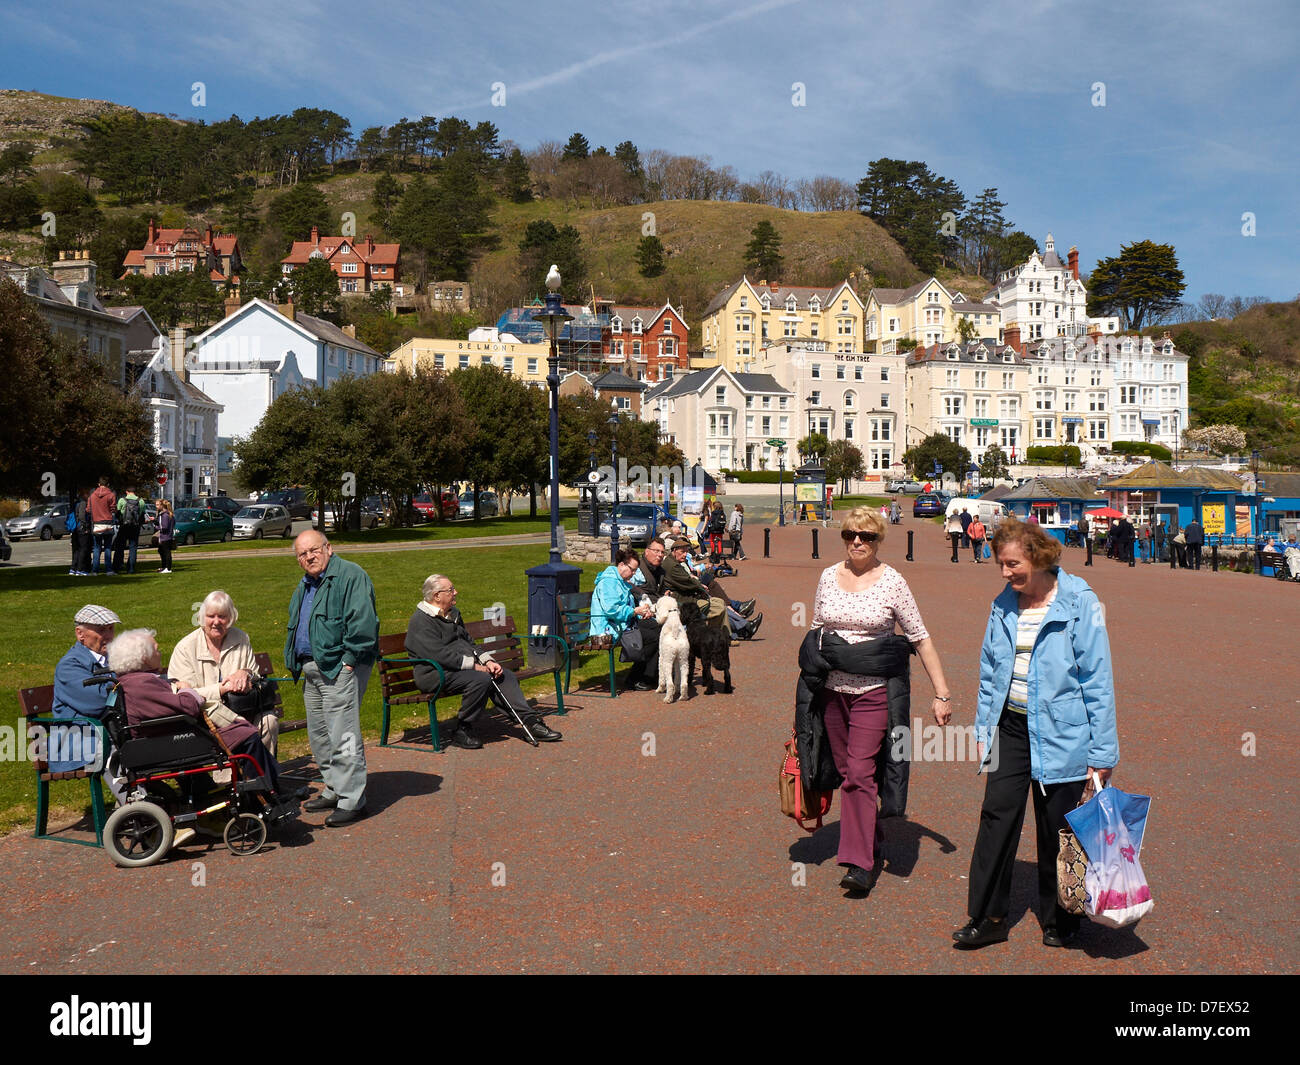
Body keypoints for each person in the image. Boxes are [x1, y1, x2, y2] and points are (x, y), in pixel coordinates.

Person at [953, 516, 1118, 950]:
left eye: (1012, 565)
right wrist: (984, 730)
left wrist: (1103, 751)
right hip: (1010, 728)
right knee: (996, 818)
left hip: (1062, 731)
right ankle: (987, 916)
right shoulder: (1004, 602)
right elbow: (990, 671)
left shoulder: (1080, 601)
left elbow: (1097, 679)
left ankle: (1061, 916)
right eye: (1001, 566)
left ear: (1038, 557)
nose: (1006, 574)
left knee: (1057, 828)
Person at [804, 506, 952, 895]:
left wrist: (941, 693)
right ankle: (869, 834)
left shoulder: (892, 582)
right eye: (851, 535)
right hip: (832, 692)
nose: (857, 542)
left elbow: (919, 636)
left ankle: (859, 863)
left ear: (878, 540)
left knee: (858, 773)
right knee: (843, 770)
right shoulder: (827, 577)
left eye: (866, 537)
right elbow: (818, 630)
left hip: (874, 692)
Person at [109, 628, 288, 802]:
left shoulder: (133, 681)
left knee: (242, 732)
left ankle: (266, 789)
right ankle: (268, 794)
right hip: (176, 741)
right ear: (144, 658)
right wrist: (187, 690)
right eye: (156, 650)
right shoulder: (142, 684)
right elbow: (188, 706)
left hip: (168, 736)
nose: (160, 652)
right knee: (247, 737)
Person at [284, 530, 379, 826]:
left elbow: (364, 624)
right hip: (311, 670)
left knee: (343, 734)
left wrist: (349, 662)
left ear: (329, 548)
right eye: (302, 554)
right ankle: (334, 788)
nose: (309, 557)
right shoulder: (306, 584)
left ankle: (353, 799)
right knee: (320, 735)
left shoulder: (350, 575)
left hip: (338, 668)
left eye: (313, 550)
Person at [404, 574, 562, 749]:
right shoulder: (421, 621)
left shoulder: (453, 614)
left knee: (504, 675)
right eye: (450, 590)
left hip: (457, 669)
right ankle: (463, 729)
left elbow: (468, 643)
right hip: (434, 673)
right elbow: (439, 655)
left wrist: (488, 662)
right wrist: (475, 666)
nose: (456, 592)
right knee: (480, 679)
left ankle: (531, 722)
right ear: (436, 596)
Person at [169, 589, 280, 756]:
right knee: (235, 731)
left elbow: (255, 674)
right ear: (202, 617)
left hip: (244, 710)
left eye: (222, 616)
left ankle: (261, 777)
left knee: (269, 721)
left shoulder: (241, 638)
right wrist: (223, 689)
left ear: (231, 618)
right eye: (211, 616)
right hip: (206, 718)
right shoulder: (186, 648)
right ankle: (239, 779)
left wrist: (245, 672)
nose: (216, 622)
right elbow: (185, 696)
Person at [51, 604, 121, 779]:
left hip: (113, 729)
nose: (109, 636)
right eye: (101, 630)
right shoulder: (69, 666)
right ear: (80, 634)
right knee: (112, 747)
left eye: (111, 629)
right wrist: (125, 687)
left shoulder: (115, 658)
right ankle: (136, 802)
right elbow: (98, 702)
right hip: (81, 739)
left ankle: (191, 791)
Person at [591, 548, 655, 643]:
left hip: (623, 625)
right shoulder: (608, 583)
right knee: (654, 637)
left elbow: (629, 607)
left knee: (658, 627)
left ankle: (638, 656)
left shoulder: (621, 582)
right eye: (632, 570)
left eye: (635, 571)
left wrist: (642, 613)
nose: (634, 574)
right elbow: (612, 610)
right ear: (621, 565)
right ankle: (634, 657)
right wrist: (634, 612)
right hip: (609, 630)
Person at [88, 477, 117, 575]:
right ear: (108, 484)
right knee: (108, 547)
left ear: (99, 484)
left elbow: (88, 510)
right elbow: (113, 509)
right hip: (108, 523)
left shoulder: (92, 496)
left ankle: (95, 570)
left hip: (96, 523)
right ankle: (108, 570)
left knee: (97, 548)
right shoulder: (111, 495)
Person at [113, 487, 144, 574]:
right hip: (135, 527)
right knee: (133, 548)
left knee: (119, 547)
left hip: (124, 526)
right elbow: (142, 515)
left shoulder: (122, 500)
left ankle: (117, 567)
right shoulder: (141, 501)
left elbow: (118, 513)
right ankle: (131, 568)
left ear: (127, 492)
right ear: (135, 492)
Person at [70, 487, 92, 576]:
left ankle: (73, 569)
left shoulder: (76, 503)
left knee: (77, 549)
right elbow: (82, 516)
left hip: (75, 528)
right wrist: (86, 527)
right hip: (82, 528)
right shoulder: (83, 503)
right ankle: (80, 569)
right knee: (83, 549)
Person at [156, 499, 175, 574]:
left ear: (162, 506)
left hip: (165, 537)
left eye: (157, 505)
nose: (156, 506)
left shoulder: (164, 515)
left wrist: (156, 527)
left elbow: (164, 527)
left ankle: (168, 568)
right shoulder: (169, 514)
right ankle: (164, 567)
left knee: (166, 552)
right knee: (161, 551)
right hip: (168, 536)